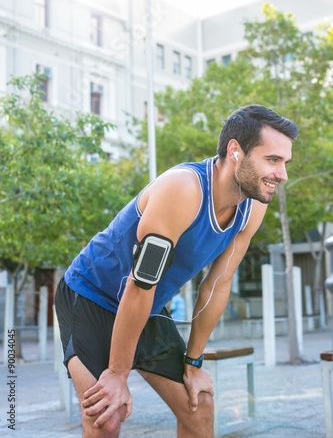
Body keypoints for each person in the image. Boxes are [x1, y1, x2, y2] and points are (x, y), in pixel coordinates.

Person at [55, 104, 298, 438]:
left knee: (199, 408)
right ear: (236, 151)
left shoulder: (251, 207)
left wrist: (193, 363)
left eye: (285, 163)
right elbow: (140, 285)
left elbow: (218, 283)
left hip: (147, 307)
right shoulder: (183, 189)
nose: (282, 174)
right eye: (273, 160)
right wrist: (117, 373)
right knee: (105, 416)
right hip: (90, 296)